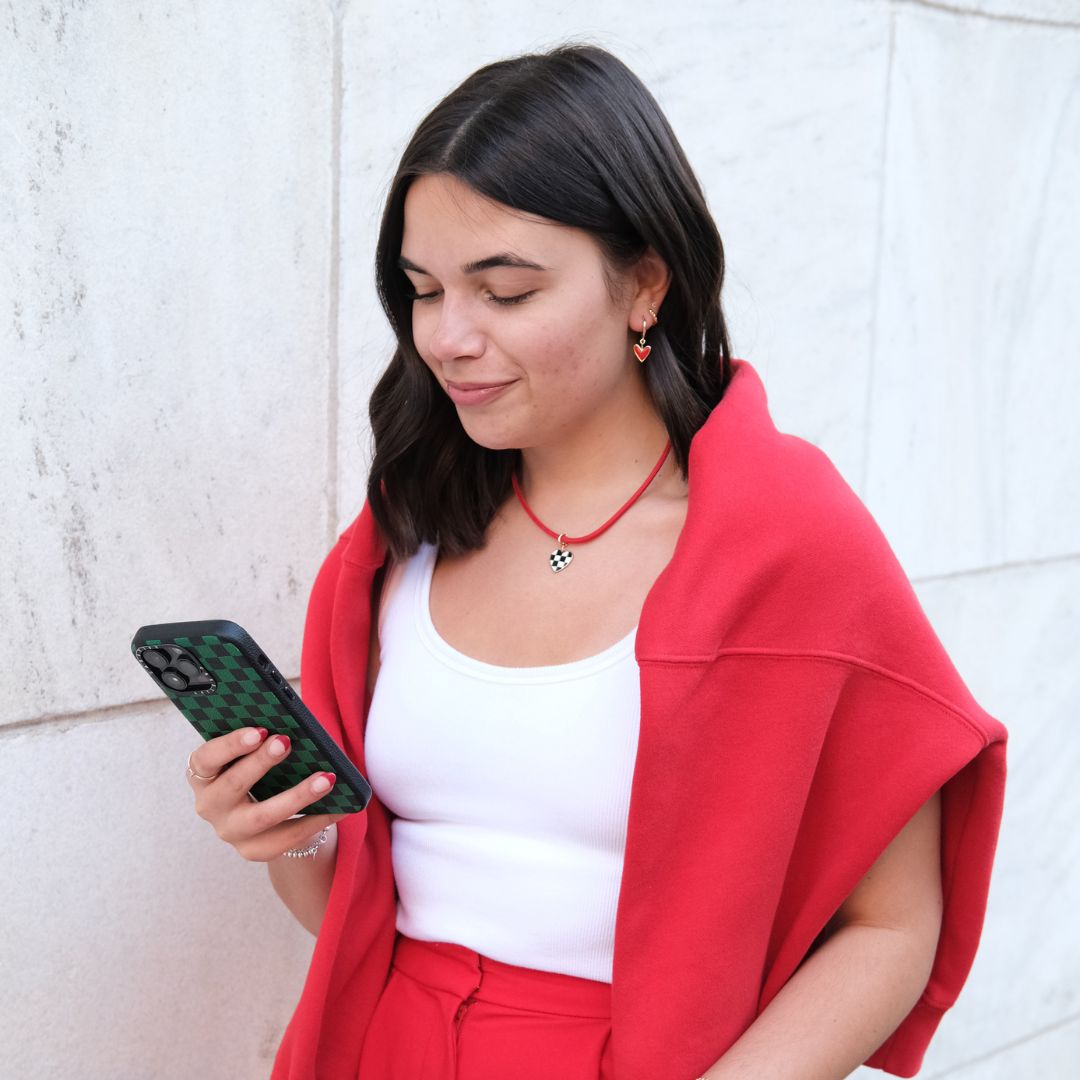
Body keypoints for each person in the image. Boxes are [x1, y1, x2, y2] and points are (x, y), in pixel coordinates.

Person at [183, 43, 1007, 1080]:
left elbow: (892, 929)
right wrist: (285, 834)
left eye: (507, 291)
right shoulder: (399, 538)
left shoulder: (788, 542)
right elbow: (354, 914)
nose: (448, 337)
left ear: (645, 285)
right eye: (424, 288)